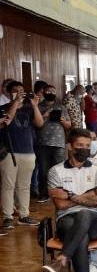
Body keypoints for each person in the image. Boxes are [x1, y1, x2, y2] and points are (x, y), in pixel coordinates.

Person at [42, 129, 97, 272]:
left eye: (88, 146)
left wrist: (71, 194)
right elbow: (60, 205)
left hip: (96, 219)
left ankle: (62, 259)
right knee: (81, 233)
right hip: (66, 221)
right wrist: (87, 194)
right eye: (80, 146)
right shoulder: (55, 171)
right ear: (70, 147)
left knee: (85, 216)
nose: (85, 149)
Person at [0, 81, 43, 229]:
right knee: (8, 186)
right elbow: (7, 121)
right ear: (9, 93)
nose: (19, 93)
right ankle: (7, 216)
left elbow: (39, 123)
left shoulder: (28, 109)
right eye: (16, 90)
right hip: (9, 153)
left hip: (28, 151)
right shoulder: (4, 108)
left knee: (24, 186)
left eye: (21, 90)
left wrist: (35, 105)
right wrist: (16, 102)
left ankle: (24, 215)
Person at [35, 109, 71, 203]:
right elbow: (36, 124)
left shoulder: (62, 107)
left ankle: (59, 194)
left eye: (52, 92)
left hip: (59, 144)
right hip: (43, 143)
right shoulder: (40, 106)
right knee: (43, 171)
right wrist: (45, 115)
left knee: (59, 171)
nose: (50, 93)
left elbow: (69, 125)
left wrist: (63, 122)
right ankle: (43, 195)